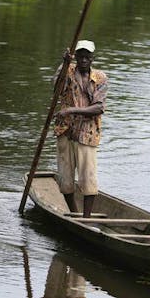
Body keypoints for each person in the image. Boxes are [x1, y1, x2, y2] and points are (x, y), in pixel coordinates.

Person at [53, 40, 107, 217]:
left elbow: (98, 107)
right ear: (76, 57)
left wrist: (71, 110)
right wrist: (65, 64)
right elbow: (56, 90)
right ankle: (74, 213)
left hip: (87, 133)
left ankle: (87, 218)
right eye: (80, 56)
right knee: (65, 179)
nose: (83, 60)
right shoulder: (67, 70)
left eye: (87, 57)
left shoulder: (100, 78)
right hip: (66, 130)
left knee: (88, 179)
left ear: (92, 59)